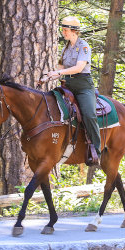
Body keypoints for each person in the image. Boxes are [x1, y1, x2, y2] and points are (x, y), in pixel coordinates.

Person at [46, 16, 101, 164]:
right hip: (68, 85)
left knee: (89, 115)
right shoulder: (65, 48)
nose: (63, 32)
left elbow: (79, 68)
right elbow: (61, 68)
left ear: (74, 31)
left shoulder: (84, 46)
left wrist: (58, 73)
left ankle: (97, 149)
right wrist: (50, 75)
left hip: (83, 86)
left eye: (65, 30)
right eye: (63, 30)